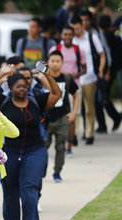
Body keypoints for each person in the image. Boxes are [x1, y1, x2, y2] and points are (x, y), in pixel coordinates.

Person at [0, 63, 61, 220]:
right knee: (10, 187)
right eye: (18, 87)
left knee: (30, 185)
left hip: (35, 149)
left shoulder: (36, 102)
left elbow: (56, 93)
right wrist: (0, 74)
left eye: (25, 86)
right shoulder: (3, 102)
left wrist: (46, 74)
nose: (22, 90)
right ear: (11, 88)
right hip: (9, 150)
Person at [49, 25, 87, 156]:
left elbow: (84, 68)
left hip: (72, 84)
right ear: (61, 35)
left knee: (71, 117)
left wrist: (73, 76)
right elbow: (49, 65)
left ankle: (69, 146)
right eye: (65, 34)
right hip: (55, 86)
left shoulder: (79, 50)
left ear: (73, 35)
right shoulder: (55, 49)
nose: (68, 37)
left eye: (70, 34)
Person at [45, 50, 79, 183]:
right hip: (46, 118)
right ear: (48, 62)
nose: (54, 64)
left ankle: (57, 172)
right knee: (43, 146)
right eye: (52, 61)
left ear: (62, 63)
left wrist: (74, 112)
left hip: (62, 118)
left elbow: (76, 95)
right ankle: (40, 169)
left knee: (61, 147)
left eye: (57, 61)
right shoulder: (44, 78)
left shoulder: (66, 79)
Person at [71, 14, 105, 144]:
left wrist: (100, 69)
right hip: (75, 79)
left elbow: (102, 54)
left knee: (90, 108)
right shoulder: (70, 39)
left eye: (78, 28)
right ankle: (74, 135)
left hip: (90, 77)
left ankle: (89, 134)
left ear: (82, 25)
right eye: (74, 28)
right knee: (77, 108)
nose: (76, 31)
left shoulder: (92, 37)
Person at [96, 15, 122, 132]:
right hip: (113, 69)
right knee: (102, 96)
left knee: (103, 97)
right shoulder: (112, 35)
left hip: (109, 70)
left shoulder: (104, 36)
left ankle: (116, 117)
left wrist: (107, 71)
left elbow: (109, 55)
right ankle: (116, 117)